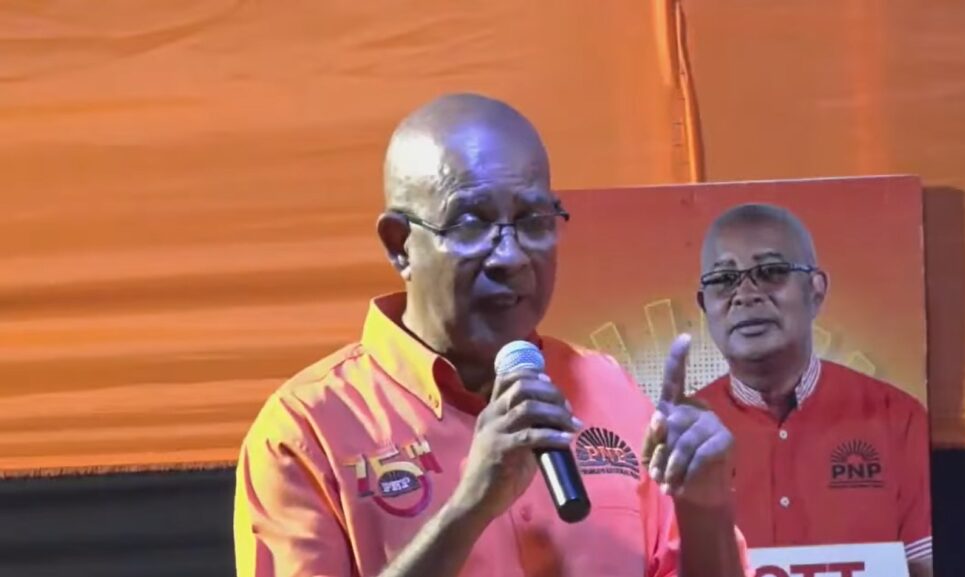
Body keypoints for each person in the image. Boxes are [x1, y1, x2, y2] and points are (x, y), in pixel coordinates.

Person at [233, 93, 751, 577]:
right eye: (470, 224)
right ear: (399, 245)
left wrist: (705, 508)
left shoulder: (610, 389)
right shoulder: (307, 430)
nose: (510, 256)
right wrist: (468, 508)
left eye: (533, 220)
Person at [692, 203, 933, 577]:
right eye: (724, 279)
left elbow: (924, 565)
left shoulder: (895, 417)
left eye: (771, 272)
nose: (746, 294)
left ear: (816, 290)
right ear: (704, 306)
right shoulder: (678, 435)